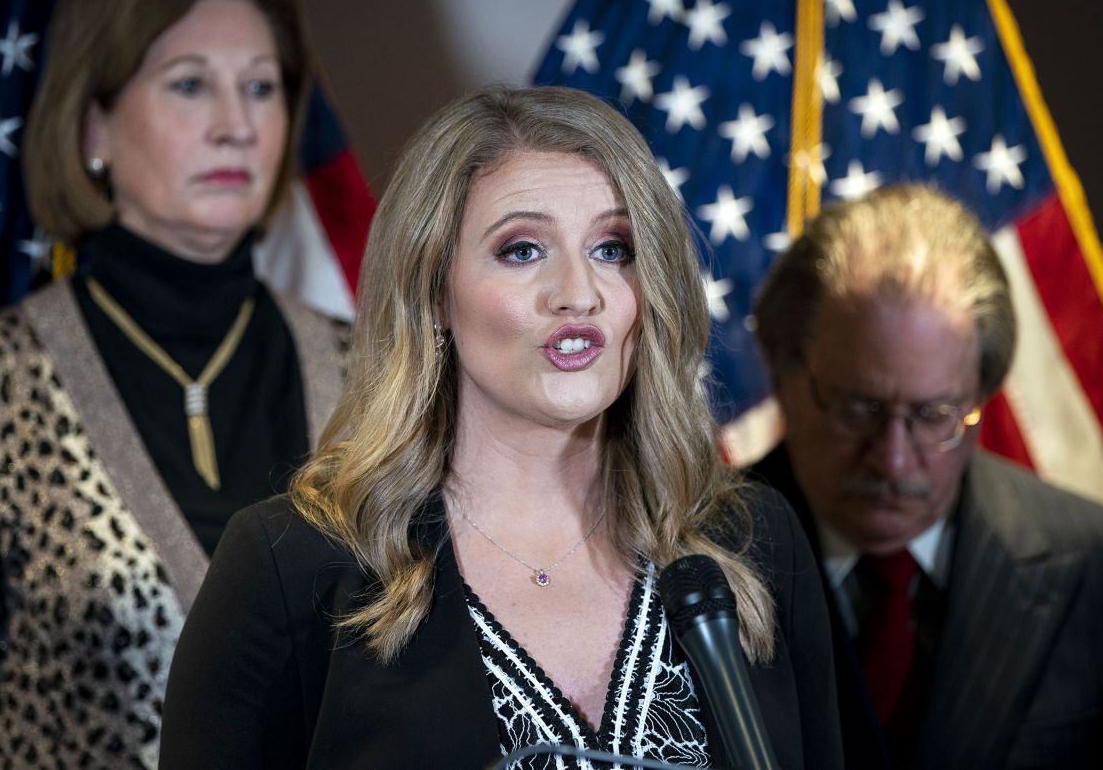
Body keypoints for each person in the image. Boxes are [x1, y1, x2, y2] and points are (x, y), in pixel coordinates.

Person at [158, 85, 844, 769]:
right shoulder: (292, 565)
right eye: (522, 250)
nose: (579, 292)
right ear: (433, 293)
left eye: (613, 248)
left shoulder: (752, 542)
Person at [0, 0, 347, 767]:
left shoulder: (376, 376)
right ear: (94, 124)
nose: (237, 126)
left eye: (262, 87)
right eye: (191, 84)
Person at [749, 184, 1103, 770]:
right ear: (785, 377)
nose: (893, 461)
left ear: (982, 392)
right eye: (859, 409)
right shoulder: (672, 562)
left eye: (935, 415)